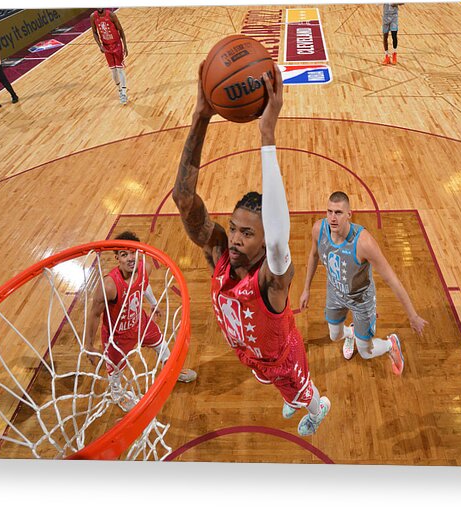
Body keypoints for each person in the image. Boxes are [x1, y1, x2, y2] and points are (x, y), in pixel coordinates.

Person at [172, 64, 331, 437]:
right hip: (250, 354)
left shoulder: (273, 280)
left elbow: (278, 240)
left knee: (301, 393)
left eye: (247, 233)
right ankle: (292, 398)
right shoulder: (220, 254)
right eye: (232, 228)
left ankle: (315, 406)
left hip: (281, 360)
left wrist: (267, 134)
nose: (235, 238)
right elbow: (183, 197)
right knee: (268, 379)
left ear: (263, 241)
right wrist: (200, 115)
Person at [299, 192, 427, 374]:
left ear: (349, 214)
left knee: (366, 352)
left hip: (361, 300)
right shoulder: (319, 230)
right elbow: (313, 255)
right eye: (329, 212)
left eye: (338, 212)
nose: (332, 218)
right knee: (334, 336)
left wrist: (412, 316)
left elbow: (392, 280)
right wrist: (306, 289)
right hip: (335, 294)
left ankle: (390, 345)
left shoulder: (364, 243)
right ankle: (351, 333)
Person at [85, 231, 197, 411]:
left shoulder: (145, 268)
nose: (130, 258)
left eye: (133, 252)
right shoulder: (109, 286)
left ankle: (173, 371)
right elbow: (94, 315)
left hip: (140, 322)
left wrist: (153, 303)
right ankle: (117, 394)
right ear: (117, 258)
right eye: (124, 254)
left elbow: (144, 285)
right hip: (117, 335)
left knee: (161, 344)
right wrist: (89, 345)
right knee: (115, 370)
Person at [90, 8, 129, 104]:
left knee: (120, 69)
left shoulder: (111, 15)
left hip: (117, 44)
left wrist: (125, 46)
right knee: (113, 70)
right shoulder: (93, 17)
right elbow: (94, 32)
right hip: (106, 46)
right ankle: (119, 90)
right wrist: (100, 45)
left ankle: (124, 93)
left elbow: (121, 30)